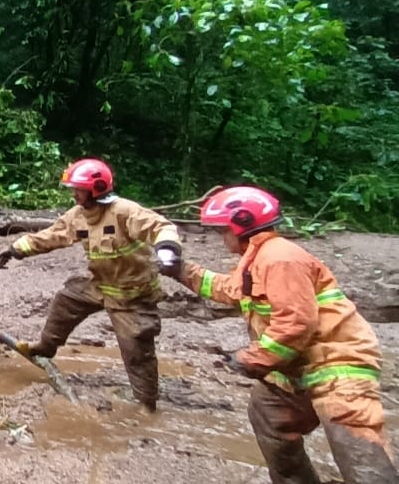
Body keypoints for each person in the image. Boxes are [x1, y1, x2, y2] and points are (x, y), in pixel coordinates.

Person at [166, 186, 396, 483]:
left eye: (224, 230)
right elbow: (229, 290)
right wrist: (183, 271)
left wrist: (252, 359)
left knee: (359, 452)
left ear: (242, 225)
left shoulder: (279, 258)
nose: (222, 238)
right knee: (268, 413)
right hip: (298, 367)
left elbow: (296, 324)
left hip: (337, 365)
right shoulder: (257, 258)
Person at [0, 158, 181, 411]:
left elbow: (161, 227)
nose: (74, 194)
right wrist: (13, 250)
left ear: (96, 189)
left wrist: (167, 251)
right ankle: (45, 347)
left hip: (133, 295)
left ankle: (145, 404)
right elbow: (52, 235)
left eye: (78, 189)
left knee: (136, 349)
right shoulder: (79, 215)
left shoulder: (124, 211)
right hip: (100, 285)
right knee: (66, 302)